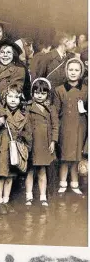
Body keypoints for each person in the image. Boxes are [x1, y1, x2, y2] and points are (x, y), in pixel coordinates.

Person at [0, 84, 33, 215]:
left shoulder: (24, 115)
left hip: (15, 149)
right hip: (1, 148)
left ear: (20, 99)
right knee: (1, 175)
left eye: (16, 97)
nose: (12, 100)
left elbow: (28, 133)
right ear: (5, 98)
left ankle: (6, 200)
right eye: (10, 96)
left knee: (10, 176)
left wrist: (26, 148)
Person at [54, 58, 87, 196]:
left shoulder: (86, 90)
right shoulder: (59, 90)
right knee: (65, 156)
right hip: (64, 127)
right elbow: (55, 112)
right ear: (66, 71)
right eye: (71, 70)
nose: (73, 72)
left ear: (81, 72)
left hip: (80, 126)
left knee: (76, 156)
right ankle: (62, 182)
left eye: (76, 70)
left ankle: (75, 183)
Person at [25, 78, 58, 207]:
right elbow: (25, 126)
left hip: (45, 143)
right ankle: (29, 195)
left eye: (43, 93)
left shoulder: (51, 108)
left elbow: (55, 126)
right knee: (30, 170)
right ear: (32, 93)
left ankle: (43, 196)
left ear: (47, 94)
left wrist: (53, 141)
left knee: (42, 170)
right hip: (32, 144)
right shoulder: (28, 107)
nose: (40, 95)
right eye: (37, 93)